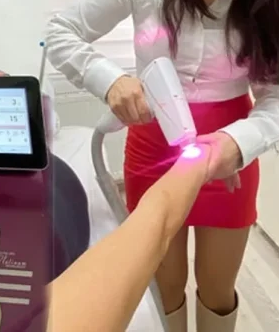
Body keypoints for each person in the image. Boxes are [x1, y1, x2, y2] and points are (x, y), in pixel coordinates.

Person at [45, 0, 279, 330]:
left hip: (230, 153)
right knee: (164, 289)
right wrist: (110, 81)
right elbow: (61, 32)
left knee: (218, 291)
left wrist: (238, 144)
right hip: (153, 148)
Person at [47, 142, 216, 332]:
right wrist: (200, 162)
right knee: (169, 287)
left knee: (215, 289)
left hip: (214, 149)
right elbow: (159, 221)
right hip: (186, 154)